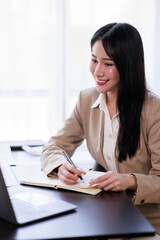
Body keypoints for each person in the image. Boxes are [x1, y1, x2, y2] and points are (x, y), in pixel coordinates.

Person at [41, 23, 160, 239]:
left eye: (108, 63)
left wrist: (132, 180)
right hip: (107, 218)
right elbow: (55, 145)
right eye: (94, 60)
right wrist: (60, 166)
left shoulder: (154, 110)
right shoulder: (87, 100)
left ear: (128, 66)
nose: (97, 71)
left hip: (147, 225)